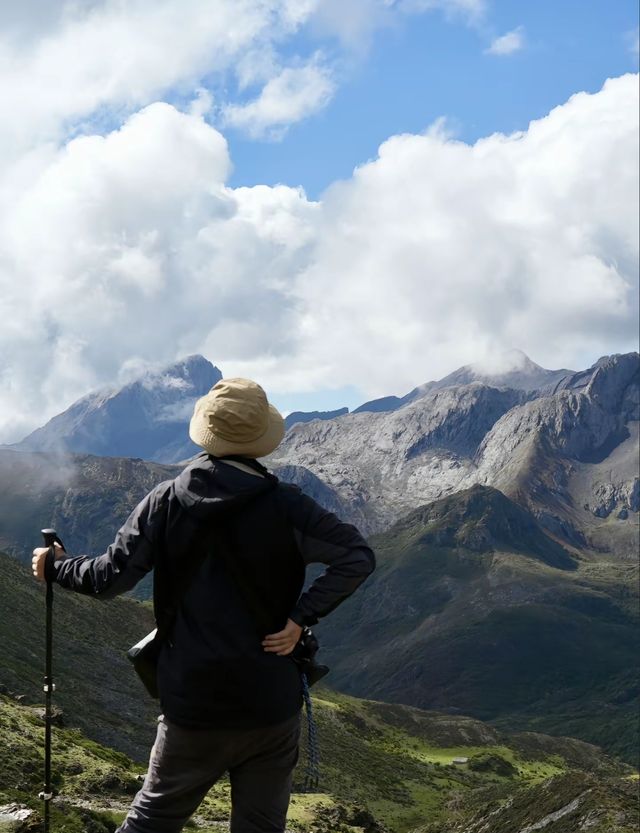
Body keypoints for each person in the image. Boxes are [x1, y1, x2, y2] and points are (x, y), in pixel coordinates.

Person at [32, 377, 375, 833]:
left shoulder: (165, 502)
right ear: (261, 440)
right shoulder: (289, 507)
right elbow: (357, 557)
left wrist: (57, 567)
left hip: (193, 706)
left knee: (150, 820)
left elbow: (108, 578)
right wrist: (299, 617)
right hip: (269, 702)